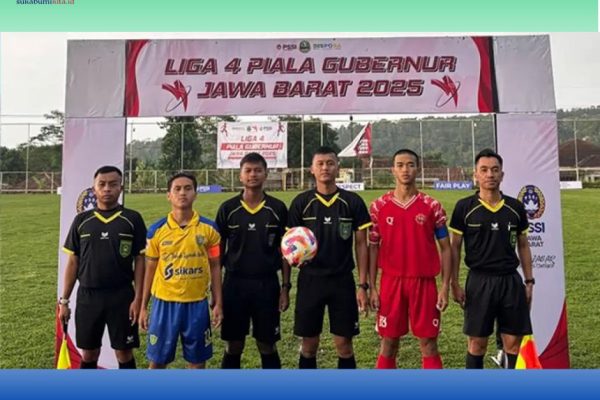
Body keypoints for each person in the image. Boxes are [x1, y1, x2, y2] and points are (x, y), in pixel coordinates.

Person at [449, 148, 534, 369]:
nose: (490, 175)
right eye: (484, 170)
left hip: (510, 281)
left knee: (512, 343)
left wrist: (529, 281)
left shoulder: (515, 207)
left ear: (502, 175)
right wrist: (454, 283)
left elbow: (523, 245)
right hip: (479, 281)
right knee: (477, 344)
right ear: (475, 174)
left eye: (495, 170)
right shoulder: (464, 208)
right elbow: (455, 248)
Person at [288, 146, 371, 369]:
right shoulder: (301, 202)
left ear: (338, 167)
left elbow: (361, 244)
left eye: (330, 163)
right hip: (310, 280)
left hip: (341, 281)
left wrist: (363, 285)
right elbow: (288, 243)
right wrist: (287, 279)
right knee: (309, 345)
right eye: (320, 163)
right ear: (312, 169)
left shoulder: (352, 201)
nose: (325, 167)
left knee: (344, 345)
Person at [368, 149, 451, 369]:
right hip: (391, 282)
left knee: (429, 344)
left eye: (410, 165)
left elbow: (446, 248)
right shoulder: (378, 207)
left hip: (424, 282)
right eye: (400, 165)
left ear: (418, 169)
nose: (405, 170)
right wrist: (372, 287)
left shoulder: (432, 206)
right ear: (393, 170)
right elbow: (373, 247)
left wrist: (445, 287)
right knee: (388, 343)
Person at [59, 165, 147, 369]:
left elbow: (140, 260)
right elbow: (73, 262)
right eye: (102, 184)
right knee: (89, 353)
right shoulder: (82, 220)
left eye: (113, 184)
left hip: (122, 296)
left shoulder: (132, 219)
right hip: (88, 296)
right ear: (94, 189)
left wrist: (138, 299)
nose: (107, 188)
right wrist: (64, 301)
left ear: (121, 188)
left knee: (124, 352)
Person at [140, 172, 222, 369]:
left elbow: (215, 266)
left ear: (195, 194)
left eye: (188, 188)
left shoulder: (210, 229)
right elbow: (149, 270)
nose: (182, 193)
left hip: (197, 303)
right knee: (157, 362)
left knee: (197, 362)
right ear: (168, 195)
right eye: (177, 189)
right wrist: (143, 306)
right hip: (164, 304)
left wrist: (218, 302)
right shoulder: (156, 231)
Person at [216, 152, 290, 369]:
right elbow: (217, 255)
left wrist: (285, 287)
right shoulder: (228, 209)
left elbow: (285, 251)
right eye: (248, 170)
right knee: (233, 345)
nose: (253, 174)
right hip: (234, 284)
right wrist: (216, 292)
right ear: (240, 175)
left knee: (267, 344)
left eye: (258, 170)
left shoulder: (277, 208)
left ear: (266, 174)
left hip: (266, 284)